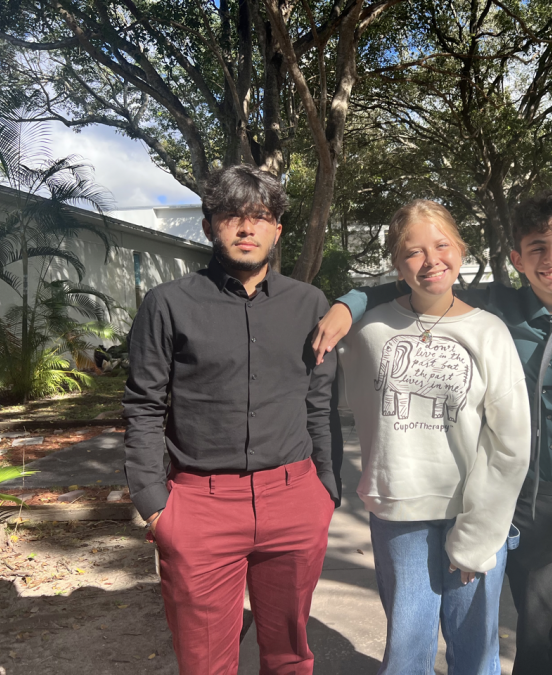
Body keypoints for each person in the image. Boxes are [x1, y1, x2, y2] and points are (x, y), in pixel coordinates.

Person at [314, 190, 552, 675]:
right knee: (533, 640)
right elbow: (411, 285)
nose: (551, 258)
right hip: (533, 502)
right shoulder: (495, 308)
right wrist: (348, 303)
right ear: (516, 259)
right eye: (536, 247)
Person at [123, 165, 339, 675]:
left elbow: (318, 401)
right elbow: (144, 405)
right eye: (232, 216)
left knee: (290, 657)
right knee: (204, 664)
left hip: (294, 500)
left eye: (261, 217)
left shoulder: (309, 304)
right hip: (200, 507)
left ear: (277, 230)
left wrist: (326, 488)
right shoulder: (168, 305)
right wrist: (155, 504)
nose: (247, 228)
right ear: (209, 226)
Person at [335, 200, 530, 674]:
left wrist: (477, 536)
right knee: (405, 655)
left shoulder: (489, 333)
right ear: (397, 265)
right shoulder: (370, 331)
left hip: (474, 515)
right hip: (400, 515)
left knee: (476, 655)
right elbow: (346, 401)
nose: (431, 260)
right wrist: (347, 302)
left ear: (461, 250)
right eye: (413, 252)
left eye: (442, 245)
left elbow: (510, 443)